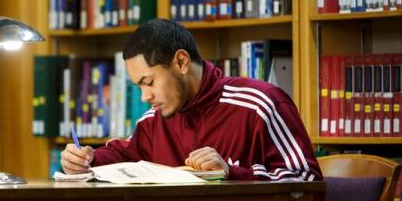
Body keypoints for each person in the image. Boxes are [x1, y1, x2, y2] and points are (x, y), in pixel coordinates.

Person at [60, 18, 322, 181]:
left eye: (149, 82)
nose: (144, 97)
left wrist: (232, 173)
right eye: (138, 86)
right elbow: (122, 154)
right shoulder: (153, 121)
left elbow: (308, 182)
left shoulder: (261, 104)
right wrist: (85, 161)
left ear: (181, 62)